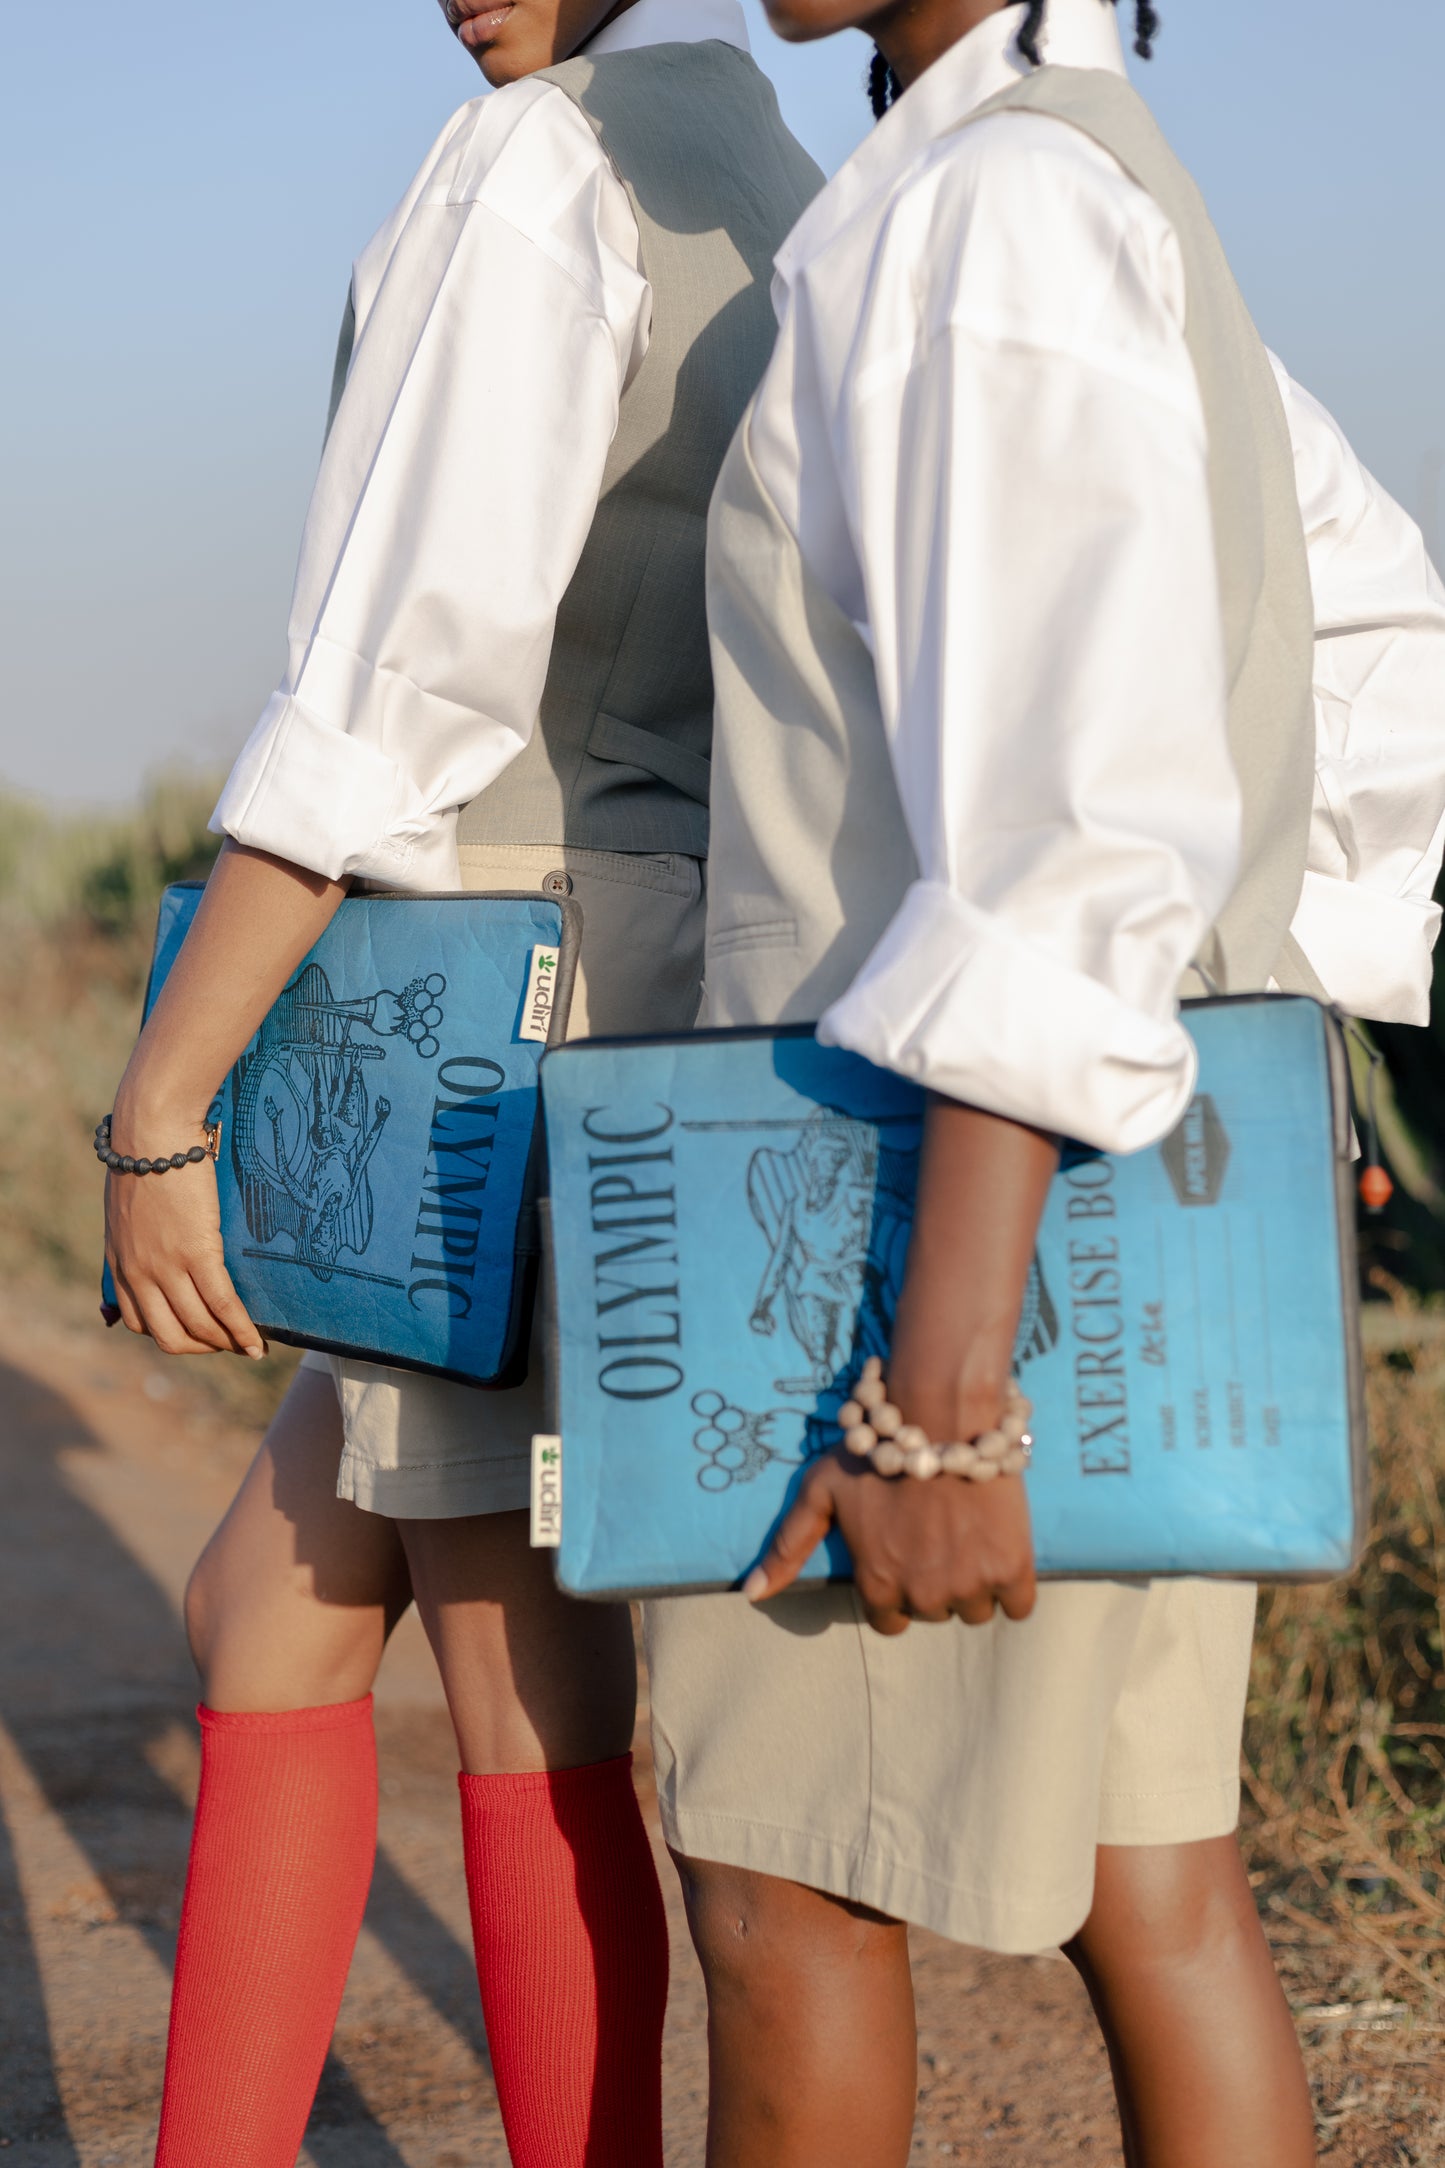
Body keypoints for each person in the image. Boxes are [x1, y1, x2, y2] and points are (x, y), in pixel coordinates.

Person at [641, 2, 1445, 2163]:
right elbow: (1382, 639)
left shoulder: (989, 216)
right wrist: (1263, 1039)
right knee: (1151, 1886)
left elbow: (1063, 835)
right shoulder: (1096, 186)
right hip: (1120, 1221)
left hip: (909, 1252)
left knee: (787, 1899)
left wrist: (937, 1398)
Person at [101, 4, 819, 2164]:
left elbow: (388, 697)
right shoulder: (765, 162)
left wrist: (162, 1100)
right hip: (643, 988)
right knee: (267, 1615)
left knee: (526, 1687)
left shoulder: (531, 168)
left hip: (481, 1032)